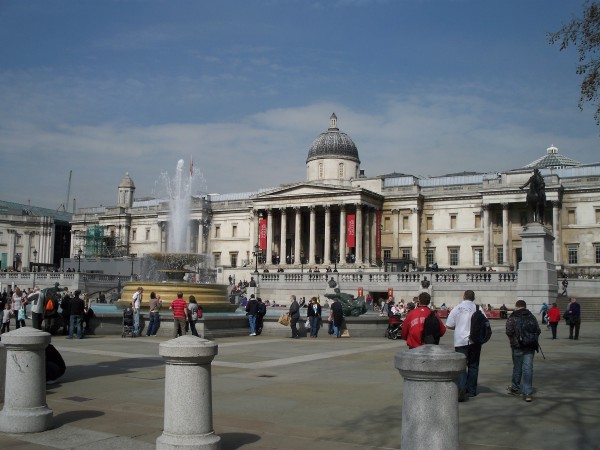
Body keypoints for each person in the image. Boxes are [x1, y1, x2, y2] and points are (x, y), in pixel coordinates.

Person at [445, 290, 481, 402]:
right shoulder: (478, 308)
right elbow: (485, 323)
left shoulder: (457, 308)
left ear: (464, 296)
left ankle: (461, 388)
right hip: (475, 341)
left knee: (461, 366)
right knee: (473, 365)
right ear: (474, 298)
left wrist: (459, 326)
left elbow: (449, 325)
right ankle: (471, 390)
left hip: (460, 340)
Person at [506, 300, 541, 402]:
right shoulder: (531, 316)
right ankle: (528, 393)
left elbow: (509, 331)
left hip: (517, 346)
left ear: (517, 306)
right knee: (528, 368)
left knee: (517, 368)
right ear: (525, 307)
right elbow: (538, 330)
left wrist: (513, 340)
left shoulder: (513, 316)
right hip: (530, 346)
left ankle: (515, 388)